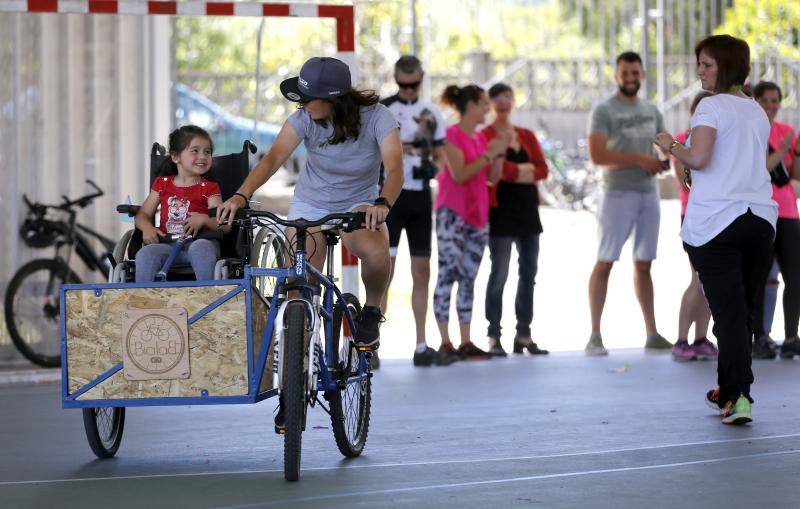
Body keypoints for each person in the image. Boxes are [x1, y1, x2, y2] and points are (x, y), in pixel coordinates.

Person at [217, 57, 403, 351]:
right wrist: (241, 194)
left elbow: (395, 168)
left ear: (333, 100)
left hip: (359, 203)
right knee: (300, 281)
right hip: (311, 204)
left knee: (378, 253)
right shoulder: (303, 119)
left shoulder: (378, 117)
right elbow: (273, 158)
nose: (301, 104)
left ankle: (371, 311)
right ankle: (301, 352)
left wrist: (383, 202)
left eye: (307, 99)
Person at [655, 34, 777, 425]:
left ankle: (740, 396)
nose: (701, 71)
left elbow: (701, 158)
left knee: (727, 314)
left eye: (707, 64)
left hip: (717, 224)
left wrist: (670, 145)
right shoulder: (756, 110)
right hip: (760, 219)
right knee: (741, 312)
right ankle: (728, 390)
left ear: (724, 67)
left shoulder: (709, 107)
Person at [585, 51, 671, 356]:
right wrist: (639, 159)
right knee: (605, 261)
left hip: (648, 193)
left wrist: (665, 160)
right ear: (616, 75)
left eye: (636, 73)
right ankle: (594, 335)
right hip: (616, 193)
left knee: (644, 263)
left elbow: (665, 145)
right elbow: (597, 156)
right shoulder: (604, 110)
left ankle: (652, 332)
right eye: (625, 73)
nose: (631, 78)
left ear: (643, 75)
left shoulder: (652, 110)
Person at [380, 55, 454, 367]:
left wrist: (431, 166)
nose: (408, 91)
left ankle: (422, 344)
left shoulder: (432, 111)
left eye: (414, 85)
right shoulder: (383, 110)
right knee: (384, 271)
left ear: (422, 78)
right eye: (402, 85)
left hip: (421, 197)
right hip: (390, 197)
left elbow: (440, 153)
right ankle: (372, 347)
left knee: (421, 271)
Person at [434, 84, 510, 360]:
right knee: (448, 274)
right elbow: (461, 174)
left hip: (478, 216)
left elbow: (493, 178)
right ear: (469, 106)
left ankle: (466, 340)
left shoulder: (479, 139)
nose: (487, 109)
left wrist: (498, 153)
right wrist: (489, 154)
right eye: (483, 104)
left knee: (468, 277)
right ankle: (445, 341)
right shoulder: (450, 135)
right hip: (452, 213)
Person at [482, 82, 549, 357]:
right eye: (497, 97)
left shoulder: (526, 134)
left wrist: (520, 170)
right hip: (500, 211)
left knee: (528, 274)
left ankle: (524, 333)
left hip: (527, 212)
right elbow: (494, 172)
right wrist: (523, 170)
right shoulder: (485, 135)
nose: (503, 102)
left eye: (507, 96)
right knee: (499, 273)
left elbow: (543, 170)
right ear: (490, 103)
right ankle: (493, 335)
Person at [135, 125, 226, 282]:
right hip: (167, 245)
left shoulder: (210, 188)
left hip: (200, 243)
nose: (203, 156)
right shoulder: (162, 184)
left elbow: (225, 225)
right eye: (195, 151)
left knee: (201, 248)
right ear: (176, 157)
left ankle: (209, 298)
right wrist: (147, 227)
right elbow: (142, 215)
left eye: (207, 152)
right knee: (145, 254)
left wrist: (205, 219)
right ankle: (144, 302)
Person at [752, 81, 800, 360]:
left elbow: (794, 173)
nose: (770, 106)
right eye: (765, 100)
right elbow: (757, 170)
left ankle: (791, 336)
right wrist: (780, 152)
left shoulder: (788, 132)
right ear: (755, 101)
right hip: (761, 211)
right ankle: (760, 336)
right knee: (761, 276)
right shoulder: (751, 132)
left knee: (794, 275)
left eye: (775, 100)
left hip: (788, 212)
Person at [671, 91, 717, 362]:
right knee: (697, 278)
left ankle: (701, 339)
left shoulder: (716, 139)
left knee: (708, 281)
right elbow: (684, 181)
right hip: (694, 215)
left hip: (716, 216)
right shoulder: (682, 141)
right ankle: (681, 340)